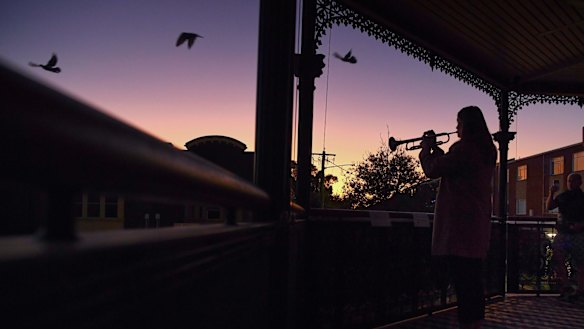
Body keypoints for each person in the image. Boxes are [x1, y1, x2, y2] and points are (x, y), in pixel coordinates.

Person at [419, 106, 497, 329]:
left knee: (463, 283)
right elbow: (455, 167)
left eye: (459, 123)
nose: (456, 127)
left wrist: (426, 150)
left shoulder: (464, 149)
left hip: (459, 226)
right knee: (474, 281)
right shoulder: (487, 150)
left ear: (467, 125)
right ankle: (476, 323)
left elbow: (433, 170)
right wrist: (439, 153)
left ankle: (468, 324)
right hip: (477, 224)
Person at [546, 173, 584, 301]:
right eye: (569, 181)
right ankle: (568, 287)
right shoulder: (563, 196)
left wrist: (580, 225)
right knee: (559, 258)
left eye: (572, 181)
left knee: (580, 262)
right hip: (564, 233)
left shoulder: (581, 198)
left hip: (577, 234)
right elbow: (549, 206)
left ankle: (579, 290)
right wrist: (551, 193)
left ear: (579, 182)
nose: (570, 183)